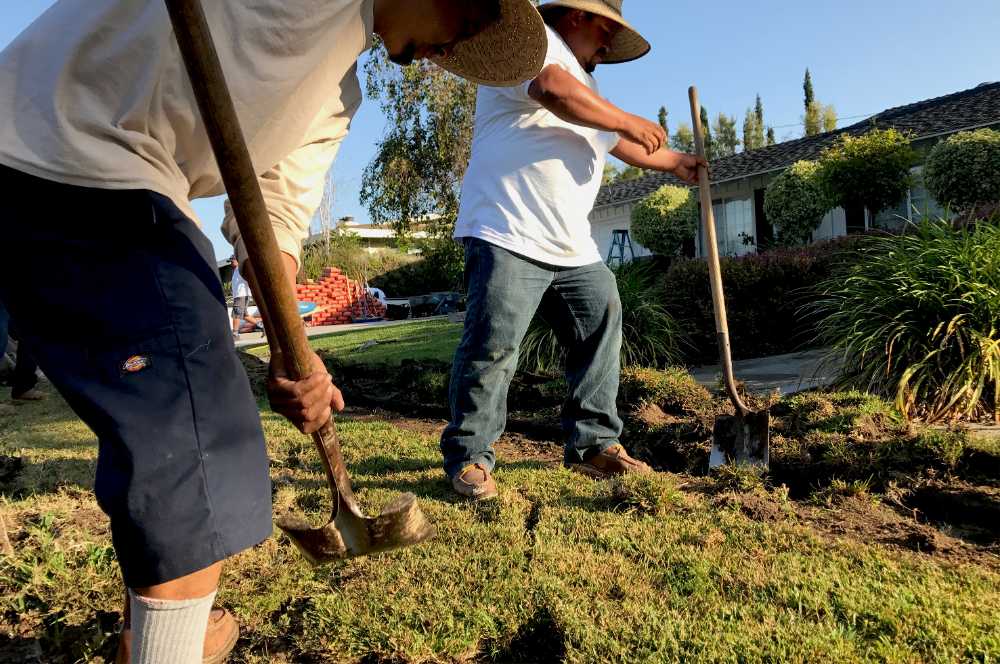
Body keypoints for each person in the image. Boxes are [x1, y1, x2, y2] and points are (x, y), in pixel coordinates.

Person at [0, 1, 546, 662]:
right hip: (75, 162)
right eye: (459, 30)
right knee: (200, 435)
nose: (441, 54)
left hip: (80, 171)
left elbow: (274, 215)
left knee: (174, 431)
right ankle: (170, 648)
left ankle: (160, 629)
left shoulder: (334, 94)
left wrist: (297, 353)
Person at [441, 0, 705, 500]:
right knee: (492, 346)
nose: (607, 47)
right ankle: (469, 457)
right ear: (578, 16)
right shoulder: (527, 47)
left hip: (571, 244)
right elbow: (551, 90)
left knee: (600, 326)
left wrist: (674, 163)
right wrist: (627, 118)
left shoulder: (586, 84)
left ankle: (594, 447)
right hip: (509, 228)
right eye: (606, 31)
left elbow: (612, 140)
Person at [229, 256, 260, 339]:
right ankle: (262, 326)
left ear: (237, 260)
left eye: (232, 260)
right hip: (239, 295)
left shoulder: (241, 269)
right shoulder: (235, 270)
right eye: (230, 261)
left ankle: (235, 334)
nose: (231, 262)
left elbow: (250, 278)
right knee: (244, 315)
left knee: (236, 314)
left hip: (241, 295)